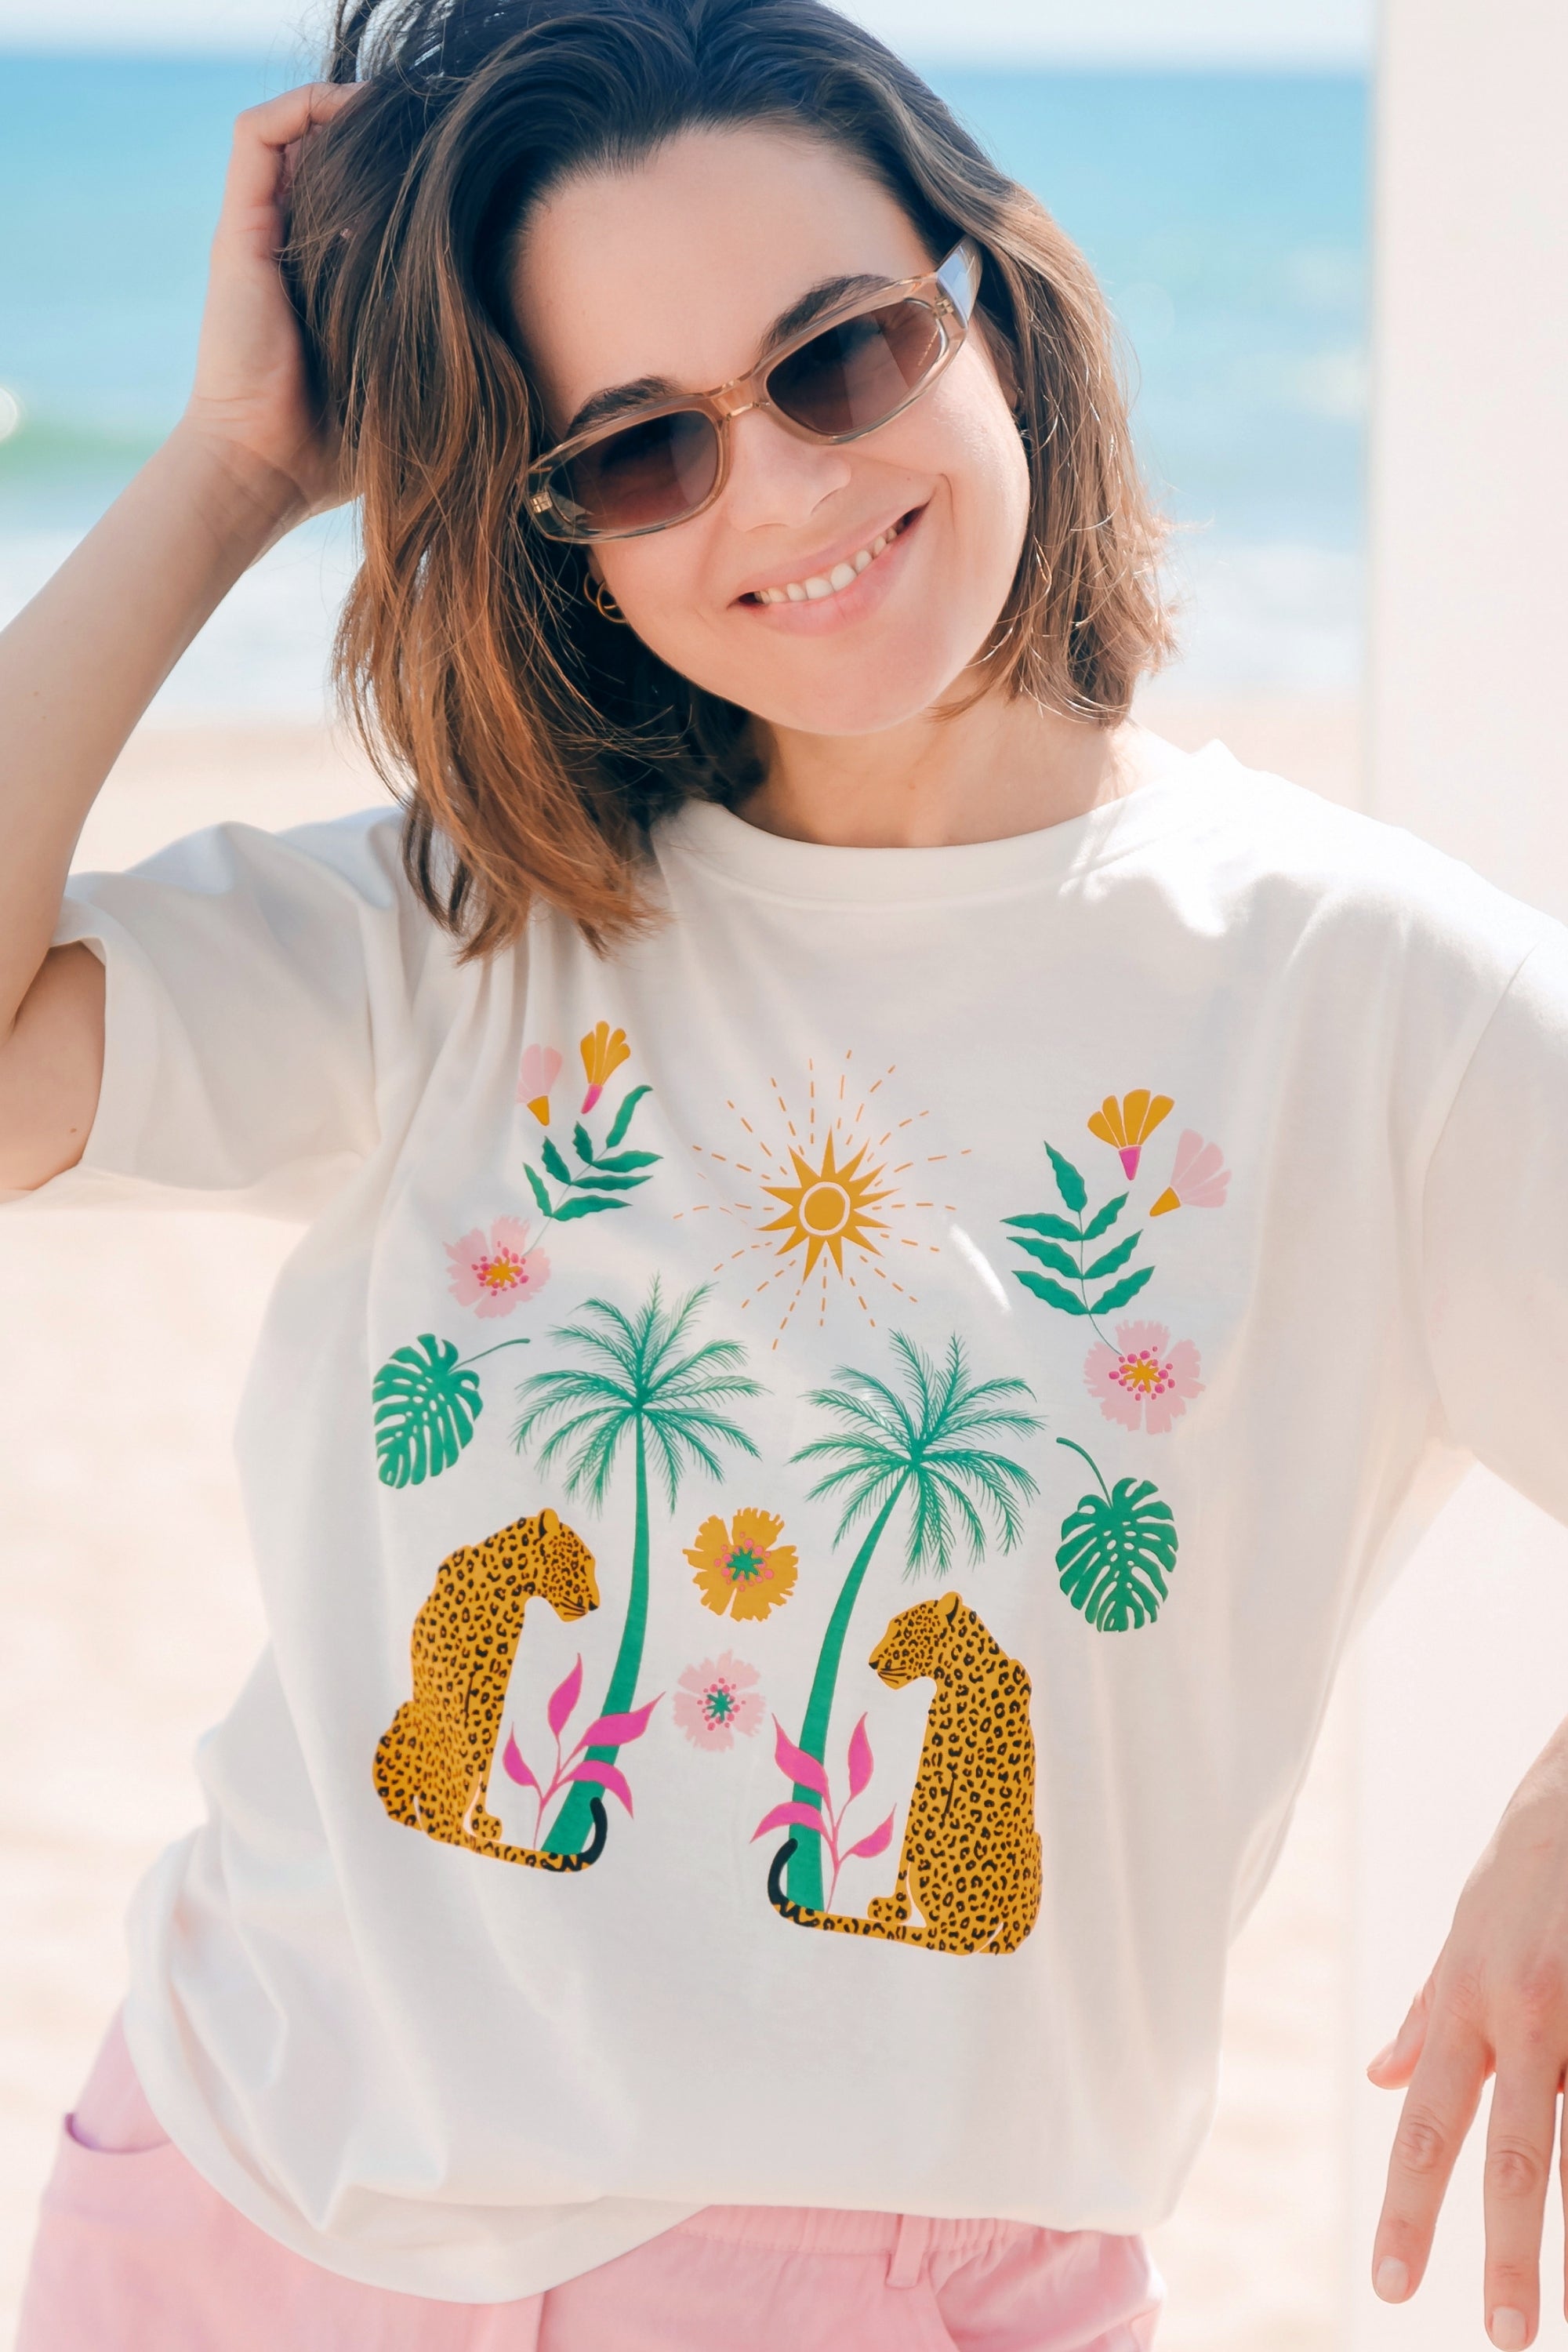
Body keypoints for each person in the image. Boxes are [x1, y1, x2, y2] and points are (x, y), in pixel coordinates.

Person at [3, 2, 1566, 2346]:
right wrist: (233, 468)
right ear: (563, 531)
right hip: (235, 2197)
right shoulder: (474, 919)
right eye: (637, 450)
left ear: (992, 304)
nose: (784, 491)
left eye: (837, 355)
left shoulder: (1379, 1000)